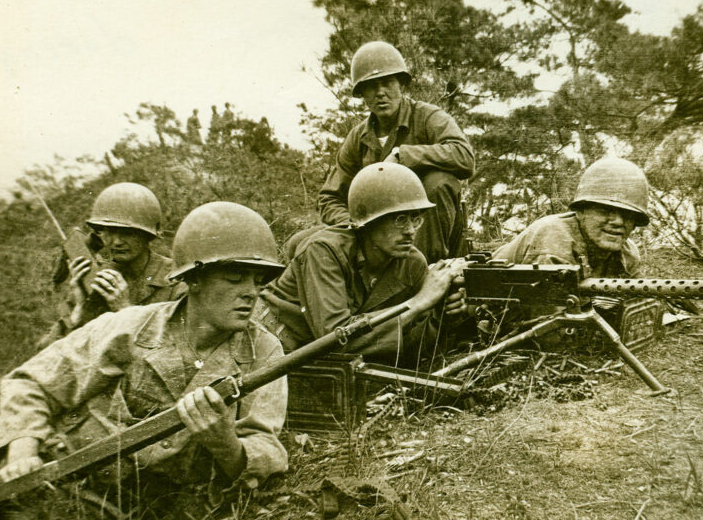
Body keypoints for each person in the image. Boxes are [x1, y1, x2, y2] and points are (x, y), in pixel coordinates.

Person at [0, 202, 289, 520]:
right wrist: (22, 453)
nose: (251, 293)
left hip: (162, 514)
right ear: (195, 279)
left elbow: (266, 445)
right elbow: (31, 382)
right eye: (235, 277)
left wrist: (227, 443)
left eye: (258, 281)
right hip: (72, 490)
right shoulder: (129, 326)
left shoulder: (264, 351)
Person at [261, 163, 465, 364]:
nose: (411, 230)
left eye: (416, 219)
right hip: (270, 348)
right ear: (369, 222)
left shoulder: (411, 263)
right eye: (400, 219)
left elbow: (410, 347)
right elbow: (335, 338)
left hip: (326, 362)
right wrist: (418, 303)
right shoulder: (324, 250)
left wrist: (443, 313)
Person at [318, 41, 474, 263]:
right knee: (308, 243)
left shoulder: (429, 117)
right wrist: (353, 226)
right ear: (362, 93)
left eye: (387, 83)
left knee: (439, 181)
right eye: (371, 86)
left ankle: (424, 271)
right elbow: (330, 197)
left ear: (401, 84)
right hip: (377, 239)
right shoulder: (358, 138)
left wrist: (403, 156)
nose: (380, 93)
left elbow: (464, 157)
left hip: (429, 237)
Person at [38, 182, 185, 349]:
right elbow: (45, 354)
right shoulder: (96, 280)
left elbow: (177, 354)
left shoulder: (177, 281)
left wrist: (124, 310)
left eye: (127, 233)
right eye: (108, 231)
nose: (116, 242)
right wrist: (78, 311)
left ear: (147, 235)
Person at [492, 156, 648, 275]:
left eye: (628, 215)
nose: (618, 222)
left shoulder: (627, 254)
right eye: (605, 211)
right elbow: (548, 314)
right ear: (581, 212)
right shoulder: (554, 241)